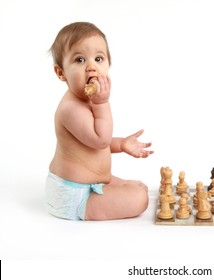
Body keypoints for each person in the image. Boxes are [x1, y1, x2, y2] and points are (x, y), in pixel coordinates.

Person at [46, 22, 153, 221]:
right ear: (61, 72)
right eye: (79, 59)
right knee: (139, 198)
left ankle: (107, 189)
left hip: (90, 183)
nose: (91, 67)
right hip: (74, 195)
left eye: (98, 58)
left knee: (136, 186)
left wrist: (121, 144)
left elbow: (91, 144)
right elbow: (100, 140)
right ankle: (91, 206)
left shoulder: (87, 101)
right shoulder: (71, 108)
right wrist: (102, 102)